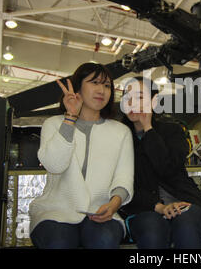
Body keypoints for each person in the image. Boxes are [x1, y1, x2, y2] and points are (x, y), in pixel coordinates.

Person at [29, 63, 134, 249]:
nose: (102, 90)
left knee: (104, 242)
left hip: (102, 211)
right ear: (78, 87)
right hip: (55, 212)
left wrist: (113, 205)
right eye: (94, 83)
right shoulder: (53, 124)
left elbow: (124, 178)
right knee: (59, 243)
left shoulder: (121, 132)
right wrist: (70, 117)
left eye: (107, 85)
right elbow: (54, 165)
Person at [119, 77, 201, 249]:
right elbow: (122, 185)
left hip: (184, 202)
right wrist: (158, 207)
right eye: (127, 97)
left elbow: (167, 169)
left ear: (154, 100)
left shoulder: (173, 131)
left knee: (186, 225)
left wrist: (148, 129)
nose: (132, 102)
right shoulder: (119, 136)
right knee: (152, 230)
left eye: (140, 97)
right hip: (142, 209)